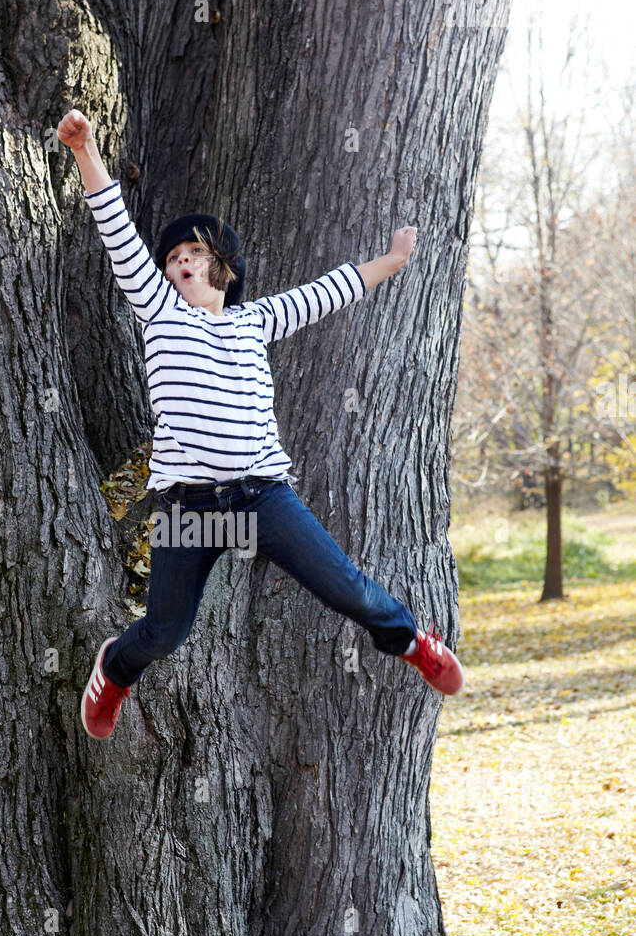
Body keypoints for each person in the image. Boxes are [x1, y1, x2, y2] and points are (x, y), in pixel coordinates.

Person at [56, 109, 465, 740]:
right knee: (165, 632)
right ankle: (114, 667)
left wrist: (392, 260)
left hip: (261, 496)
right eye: (172, 258)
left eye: (194, 253)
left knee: (347, 589)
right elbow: (114, 224)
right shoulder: (159, 311)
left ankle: (412, 641)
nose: (179, 263)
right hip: (191, 504)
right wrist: (85, 150)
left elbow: (334, 288)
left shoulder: (256, 321)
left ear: (222, 268)